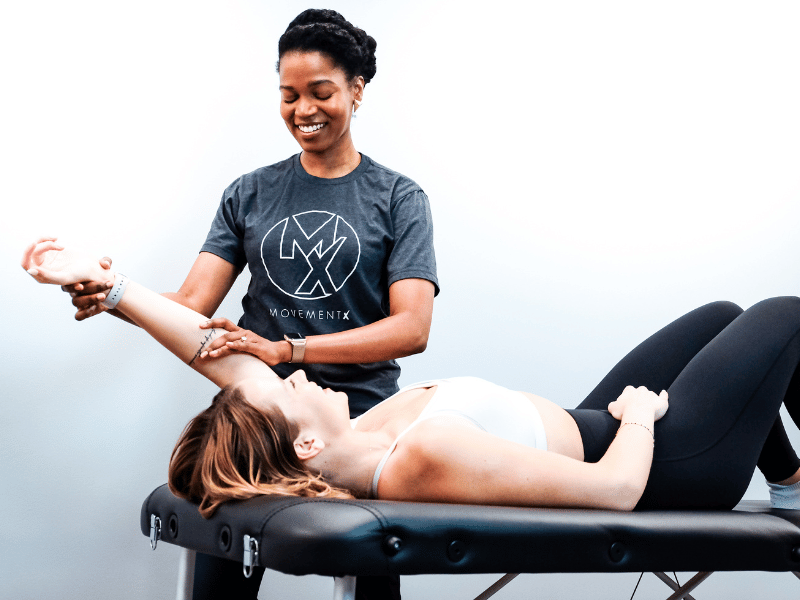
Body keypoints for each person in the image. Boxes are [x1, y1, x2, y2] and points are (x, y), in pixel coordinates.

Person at [62, 9, 438, 599]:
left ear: (357, 90)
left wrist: (289, 347)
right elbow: (191, 303)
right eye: (288, 96)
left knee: (371, 588)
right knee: (221, 584)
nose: (303, 111)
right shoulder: (249, 192)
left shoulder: (399, 197)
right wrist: (114, 296)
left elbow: (412, 328)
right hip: (254, 426)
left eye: (321, 93)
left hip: (361, 421)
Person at [24, 239, 800, 522]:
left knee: (721, 315)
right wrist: (636, 420)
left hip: (589, 421)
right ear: (299, 437)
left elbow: (211, 351)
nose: (297, 376)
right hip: (667, 465)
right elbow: (616, 495)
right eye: (288, 386)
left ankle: (793, 482)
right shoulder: (416, 456)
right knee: (785, 314)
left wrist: (110, 284)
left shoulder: (345, 443)